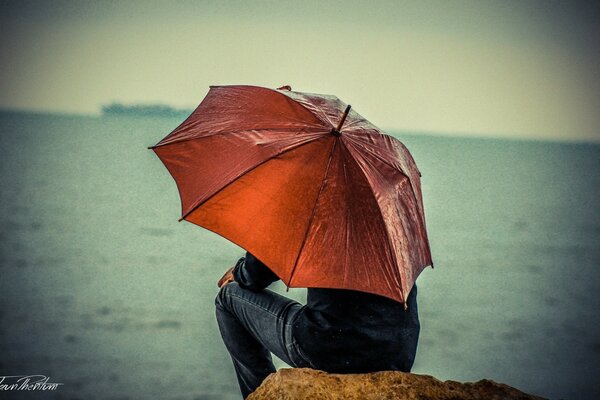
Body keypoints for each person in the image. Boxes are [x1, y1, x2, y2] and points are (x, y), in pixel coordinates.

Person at [215, 252, 420, 399]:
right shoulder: (393, 214)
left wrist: (240, 272)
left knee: (227, 298)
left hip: (329, 347)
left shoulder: (321, 206)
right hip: (396, 353)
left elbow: (257, 273)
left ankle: (258, 393)